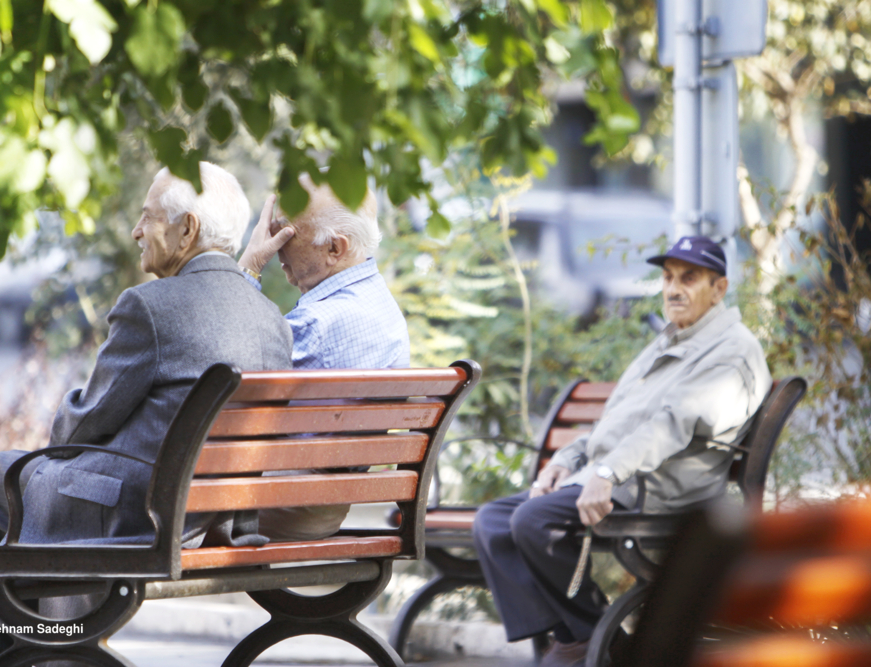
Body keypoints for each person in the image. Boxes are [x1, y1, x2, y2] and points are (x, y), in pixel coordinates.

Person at [0, 163, 293, 667]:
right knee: (4, 521)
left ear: (187, 229)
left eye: (148, 218)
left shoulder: (152, 306)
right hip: (212, 514)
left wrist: (75, 426)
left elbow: (79, 424)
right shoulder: (270, 318)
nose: (138, 231)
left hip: (138, 513)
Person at [472, 236, 772, 667]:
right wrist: (565, 461)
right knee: (493, 522)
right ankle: (589, 640)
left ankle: (583, 642)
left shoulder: (733, 351)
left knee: (534, 520)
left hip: (663, 486)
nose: (673, 289)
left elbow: (672, 425)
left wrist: (609, 472)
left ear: (719, 289)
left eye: (689, 278)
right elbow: (613, 425)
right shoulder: (670, 340)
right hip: (624, 474)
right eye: (668, 277)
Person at [236, 173, 410, 540]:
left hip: (277, 503)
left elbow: (218, 364)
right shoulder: (382, 306)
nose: (276, 251)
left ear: (336, 248)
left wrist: (248, 266)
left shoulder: (316, 322)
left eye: (286, 235)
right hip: (322, 505)